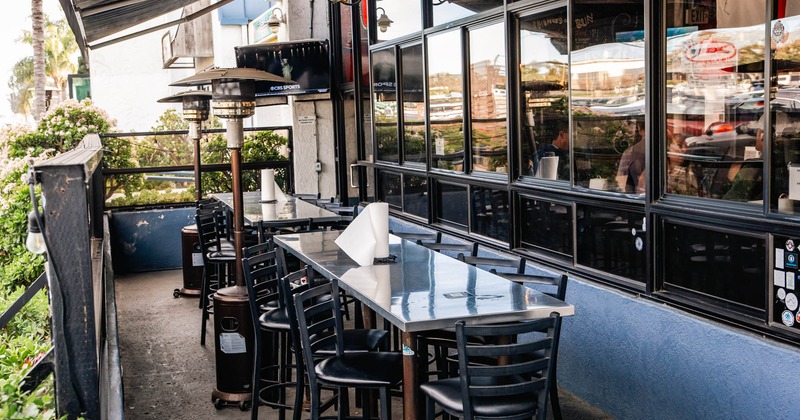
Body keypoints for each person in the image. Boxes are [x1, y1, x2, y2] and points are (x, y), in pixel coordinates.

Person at [615, 119, 646, 193]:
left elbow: (620, 181)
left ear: (638, 127)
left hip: (636, 198)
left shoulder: (629, 152)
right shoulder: (666, 151)